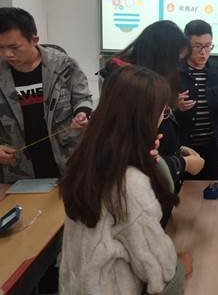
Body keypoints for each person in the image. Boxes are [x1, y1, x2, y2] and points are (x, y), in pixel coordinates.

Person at [59, 66, 191, 295]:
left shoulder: (87, 159)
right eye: (162, 112)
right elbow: (160, 274)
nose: (162, 119)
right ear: (144, 119)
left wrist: (149, 159)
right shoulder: (128, 183)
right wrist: (180, 268)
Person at [99, 20, 205, 203]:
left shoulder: (140, 82)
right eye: (174, 61)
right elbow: (137, 160)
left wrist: (176, 150)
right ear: (160, 58)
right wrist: (182, 163)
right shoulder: (134, 87)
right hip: (144, 195)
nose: (176, 68)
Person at [0, 7, 92, 183]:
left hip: (66, 162)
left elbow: (82, 98)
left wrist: (82, 113)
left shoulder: (63, 66)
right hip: (17, 169)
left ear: (34, 40)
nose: (7, 54)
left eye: (14, 47)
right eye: (0, 48)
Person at [175, 19, 218, 180]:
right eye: (197, 46)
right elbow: (161, 110)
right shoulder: (174, 72)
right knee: (183, 191)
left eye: (208, 46)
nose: (204, 52)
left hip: (211, 146)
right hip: (183, 148)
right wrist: (174, 106)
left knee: (210, 188)